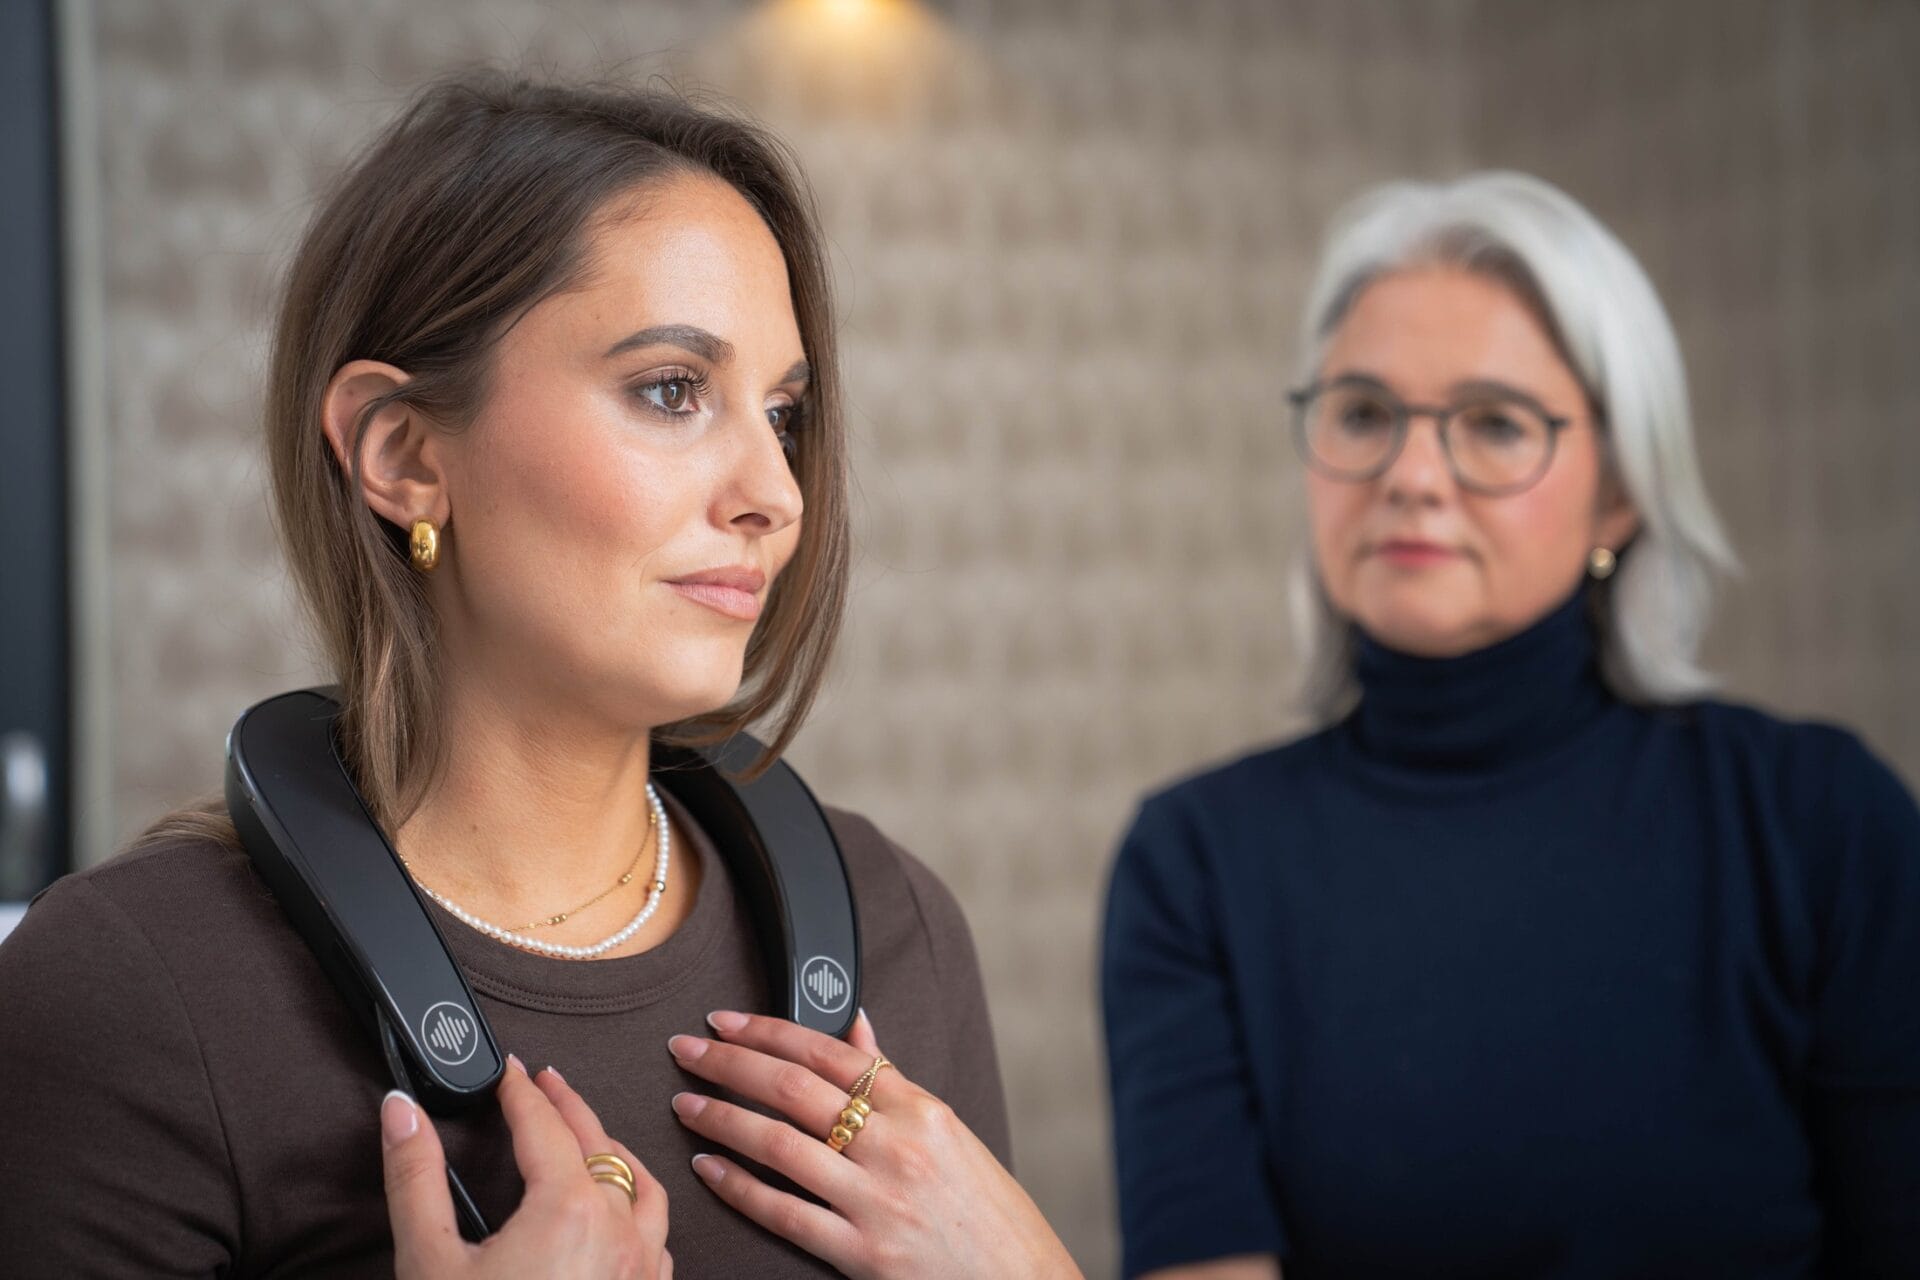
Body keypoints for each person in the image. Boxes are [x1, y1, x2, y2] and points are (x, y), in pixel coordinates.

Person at [0, 74, 1069, 1279]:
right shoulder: (125, 992)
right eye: (673, 390)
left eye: (784, 412)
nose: (777, 493)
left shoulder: (896, 923)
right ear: (403, 453)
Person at [1101, 172, 1920, 1279]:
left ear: (1621, 492)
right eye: (1363, 414)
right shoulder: (1194, 861)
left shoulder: (1819, 821)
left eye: (1493, 423)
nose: (1412, 474)